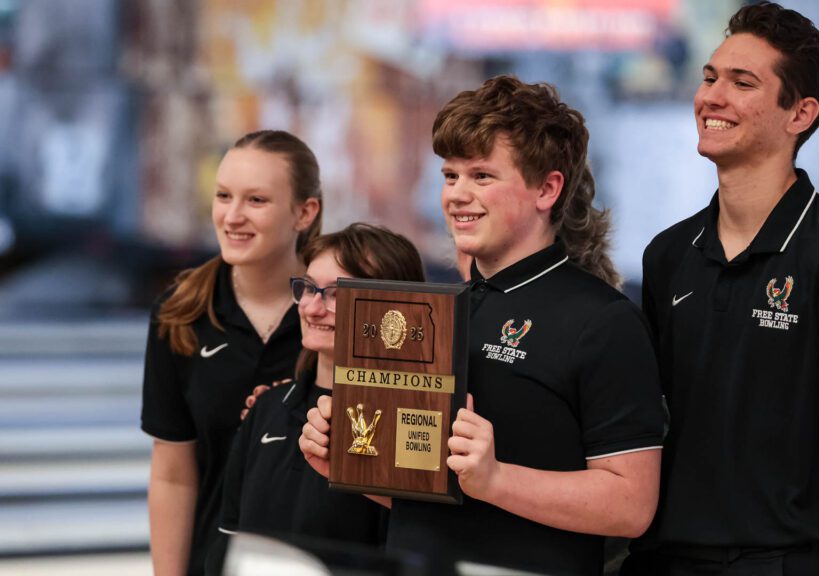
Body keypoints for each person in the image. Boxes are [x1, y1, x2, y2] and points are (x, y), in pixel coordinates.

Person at [300, 75, 666, 576]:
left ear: (547, 188)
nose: (457, 195)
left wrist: (496, 479)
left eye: (481, 176)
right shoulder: (435, 311)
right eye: (450, 176)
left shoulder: (603, 321)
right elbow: (429, 490)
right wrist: (348, 457)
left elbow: (631, 505)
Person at [625, 3, 819, 575]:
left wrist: (805, 545)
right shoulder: (667, 255)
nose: (712, 96)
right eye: (710, 77)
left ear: (799, 114)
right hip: (666, 562)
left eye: (742, 82)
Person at [141, 129, 322, 576]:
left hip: (322, 561)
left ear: (304, 212)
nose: (232, 216)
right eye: (224, 196)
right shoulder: (179, 313)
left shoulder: (334, 313)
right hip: (216, 562)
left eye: (256, 200)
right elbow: (172, 474)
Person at [206, 224, 427, 574]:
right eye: (308, 288)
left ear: (393, 310)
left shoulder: (410, 429)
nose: (311, 307)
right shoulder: (267, 408)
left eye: (336, 294)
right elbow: (229, 541)